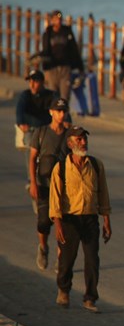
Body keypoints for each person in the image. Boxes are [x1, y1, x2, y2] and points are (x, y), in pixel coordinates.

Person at [49, 126, 112, 312]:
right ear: (70, 143)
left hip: (90, 219)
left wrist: (106, 220)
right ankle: (63, 289)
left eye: (85, 139)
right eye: (79, 139)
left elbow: (103, 194)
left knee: (92, 259)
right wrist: (58, 224)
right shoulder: (60, 168)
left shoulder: (96, 165)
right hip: (69, 220)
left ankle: (90, 298)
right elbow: (55, 197)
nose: (83, 142)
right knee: (67, 259)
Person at [28, 97, 71, 271]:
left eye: (63, 111)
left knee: (64, 222)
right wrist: (33, 182)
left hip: (64, 186)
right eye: (58, 111)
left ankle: (61, 259)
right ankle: (43, 247)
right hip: (44, 184)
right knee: (44, 222)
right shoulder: (41, 132)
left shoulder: (70, 134)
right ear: (51, 112)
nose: (61, 114)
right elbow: (32, 159)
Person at [16, 69, 55, 179]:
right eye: (30, 82)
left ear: (42, 82)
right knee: (30, 149)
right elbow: (20, 110)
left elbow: (60, 107)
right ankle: (31, 178)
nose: (32, 85)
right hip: (31, 129)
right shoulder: (26, 95)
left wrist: (67, 121)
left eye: (35, 81)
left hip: (47, 130)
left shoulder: (50, 95)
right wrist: (21, 123)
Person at [37, 10, 84, 100]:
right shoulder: (48, 34)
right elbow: (45, 51)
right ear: (52, 20)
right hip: (52, 69)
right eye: (56, 19)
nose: (58, 21)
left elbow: (74, 50)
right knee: (53, 97)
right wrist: (45, 70)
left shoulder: (67, 32)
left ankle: (64, 113)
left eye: (60, 19)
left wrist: (80, 68)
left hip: (65, 69)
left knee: (64, 98)